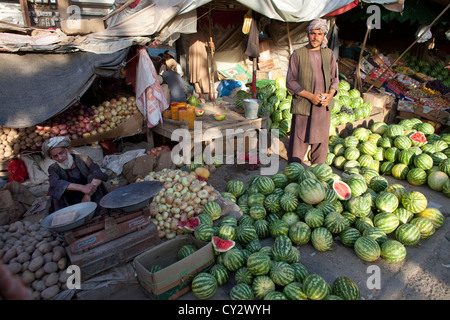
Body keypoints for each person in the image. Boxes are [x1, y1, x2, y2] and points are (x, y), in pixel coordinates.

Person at [286, 18, 339, 165]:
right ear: (308, 35)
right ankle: (294, 176)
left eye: (319, 34)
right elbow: (290, 82)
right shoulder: (298, 54)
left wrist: (330, 95)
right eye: (312, 33)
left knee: (321, 143)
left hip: (322, 107)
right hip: (303, 105)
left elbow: (335, 80)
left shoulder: (329, 54)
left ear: (324, 36)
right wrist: (310, 96)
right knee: (298, 141)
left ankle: (317, 177)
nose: (315, 37)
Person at [42, 136, 109, 215]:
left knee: (94, 180)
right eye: (55, 156)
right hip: (71, 198)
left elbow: (97, 172)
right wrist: (81, 188)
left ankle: (101, 213)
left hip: (90, 193)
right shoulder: (53, 168)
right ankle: (67, 219)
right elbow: (55, 183)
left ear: (68, 150)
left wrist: (87, 194)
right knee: (57, 191)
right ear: (52, 158)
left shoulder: (83, 159)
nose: (60, 158)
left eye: (61, 153)